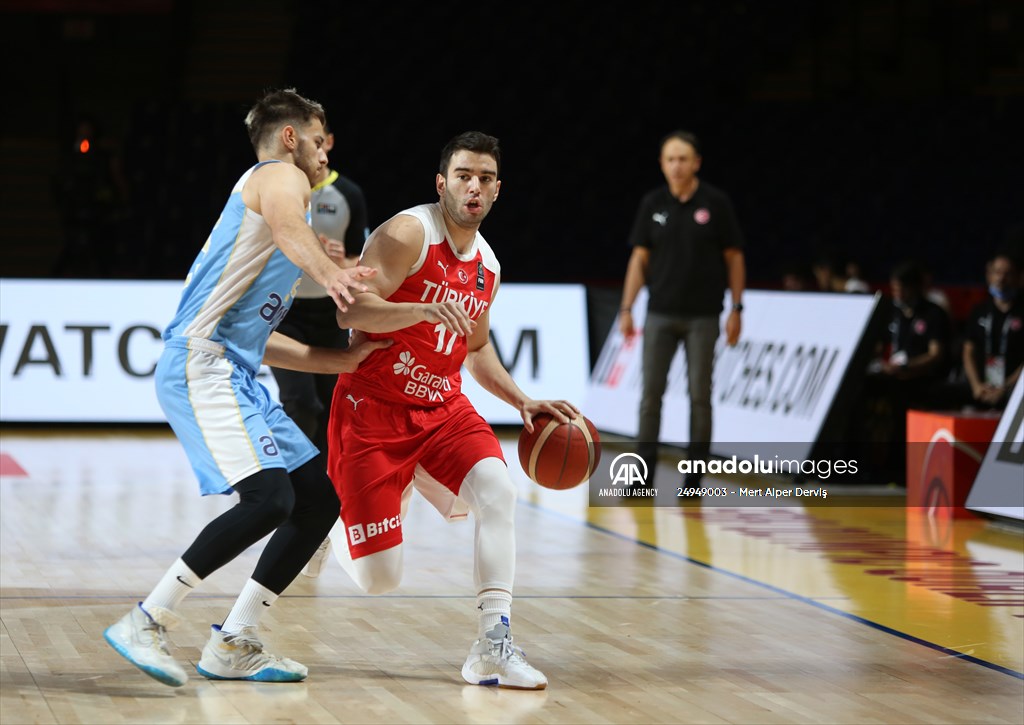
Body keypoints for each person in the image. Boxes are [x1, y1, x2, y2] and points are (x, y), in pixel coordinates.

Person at [103, 88, 388, 688]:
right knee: (269, 500)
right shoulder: (278, 178)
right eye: (316, 139)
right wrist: (334, 274)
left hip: (232, 368)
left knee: (316, 500)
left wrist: (342, 361)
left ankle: (235, 640)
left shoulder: (279, 202)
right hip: (200, 365)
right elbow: (290, 226)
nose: (322, 151)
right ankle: (147, 619)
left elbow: (260, 339)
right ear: (291, 137)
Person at [322, 131, 576, 690]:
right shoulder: (407, 233)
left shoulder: (488, 264)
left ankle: (493, 644)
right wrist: (422, 308)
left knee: (499, 491)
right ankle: (334, 520)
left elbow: (478, 348)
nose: (474, 186)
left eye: (485, 177)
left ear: (497, 190)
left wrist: (522, 400)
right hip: (375, 408)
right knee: (379, 580)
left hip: (441, 407)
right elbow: (349, 313)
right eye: (464, 175)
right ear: (442, 184)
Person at [618, 130, 746, 487]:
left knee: (699, 398)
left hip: (703, 316)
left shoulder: (715, 203)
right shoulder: (652, 203)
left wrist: (737, 308)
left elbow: (734, 258)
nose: (676, 165)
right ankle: (642, 477)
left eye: (683, 159)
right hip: (659, 313)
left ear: (696, 163)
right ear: (662, 163)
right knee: (649, 397)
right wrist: (627, 308)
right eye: (670, 159)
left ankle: (693, 479)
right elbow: (638, 259)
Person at [270, 121, 370, 455]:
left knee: (333, 409)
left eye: (320, 144)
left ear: (328, 142)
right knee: (300, 404)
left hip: (332, 313)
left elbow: (361, 263)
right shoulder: (278, 191)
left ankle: (325, 489)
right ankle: (297, 484)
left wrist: (341, 262)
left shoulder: (349, 194)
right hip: (285, 312)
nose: (320, 155)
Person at [860, 260, 952, 480]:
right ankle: (863, 462)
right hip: (893, 375)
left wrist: (908, 367)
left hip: (922, 377)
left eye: (902, 288)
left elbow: (935, 354)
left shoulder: (933, 313)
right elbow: (878, 347)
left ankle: (897, 468)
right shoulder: (892, 312)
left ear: (914, 287)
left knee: (899, 401)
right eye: (894, 288)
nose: (897, 293)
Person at [962, 251, 1023, 409]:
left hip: (1014, 388)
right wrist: (976, 385)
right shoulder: (979, 310)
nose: (1001, 279)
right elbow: (968, 351)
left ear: (1019, 277)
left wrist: (1005, 388)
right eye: (997, 272)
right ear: (989, 275)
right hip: (982, 385)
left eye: (1008, 273)